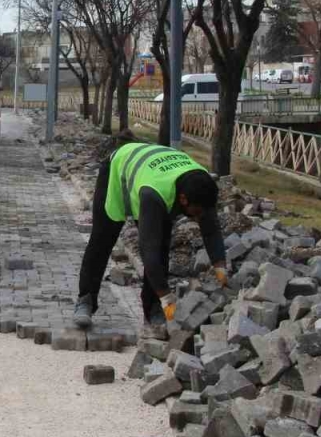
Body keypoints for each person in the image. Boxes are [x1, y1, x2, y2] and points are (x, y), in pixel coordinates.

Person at [73, 140, 229, 329]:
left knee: (163, 244)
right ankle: (86, 300)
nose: (198, 218)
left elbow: (211, 230)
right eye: (196, 213)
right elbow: (149, 252)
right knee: (102, 240)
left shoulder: (202, 185)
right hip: (119, 169)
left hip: (152, 171)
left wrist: (222, 272)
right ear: (183, 199)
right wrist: (167, 299)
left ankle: (153, 309)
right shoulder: (155, 194)